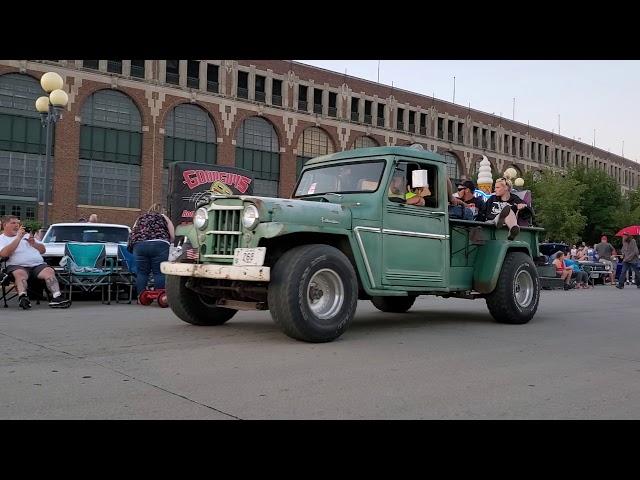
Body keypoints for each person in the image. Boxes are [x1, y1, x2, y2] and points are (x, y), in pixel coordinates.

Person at [0, 216, 70, 309]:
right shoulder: (2, 239)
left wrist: (34, 243)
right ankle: (23, 297)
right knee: (19, 274)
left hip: (37, 265)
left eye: (18, 223)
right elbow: (4, 253)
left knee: (49, 271)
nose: (17, 225)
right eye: (13, 223)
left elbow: (43, 250)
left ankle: (57, 297)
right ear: (5, 225)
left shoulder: (27, 235)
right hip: (17, 266)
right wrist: (18, 238)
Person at [129, 203, 176, 299]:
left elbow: (133, 232)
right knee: (159, 272)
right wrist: (167, 242)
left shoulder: (140, 218)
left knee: (142, 272)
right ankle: (160, 296)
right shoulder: (164, 218)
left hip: (140, 245)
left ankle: (141, 296)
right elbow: (172, 236)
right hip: (159, 245)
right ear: (163, 211)